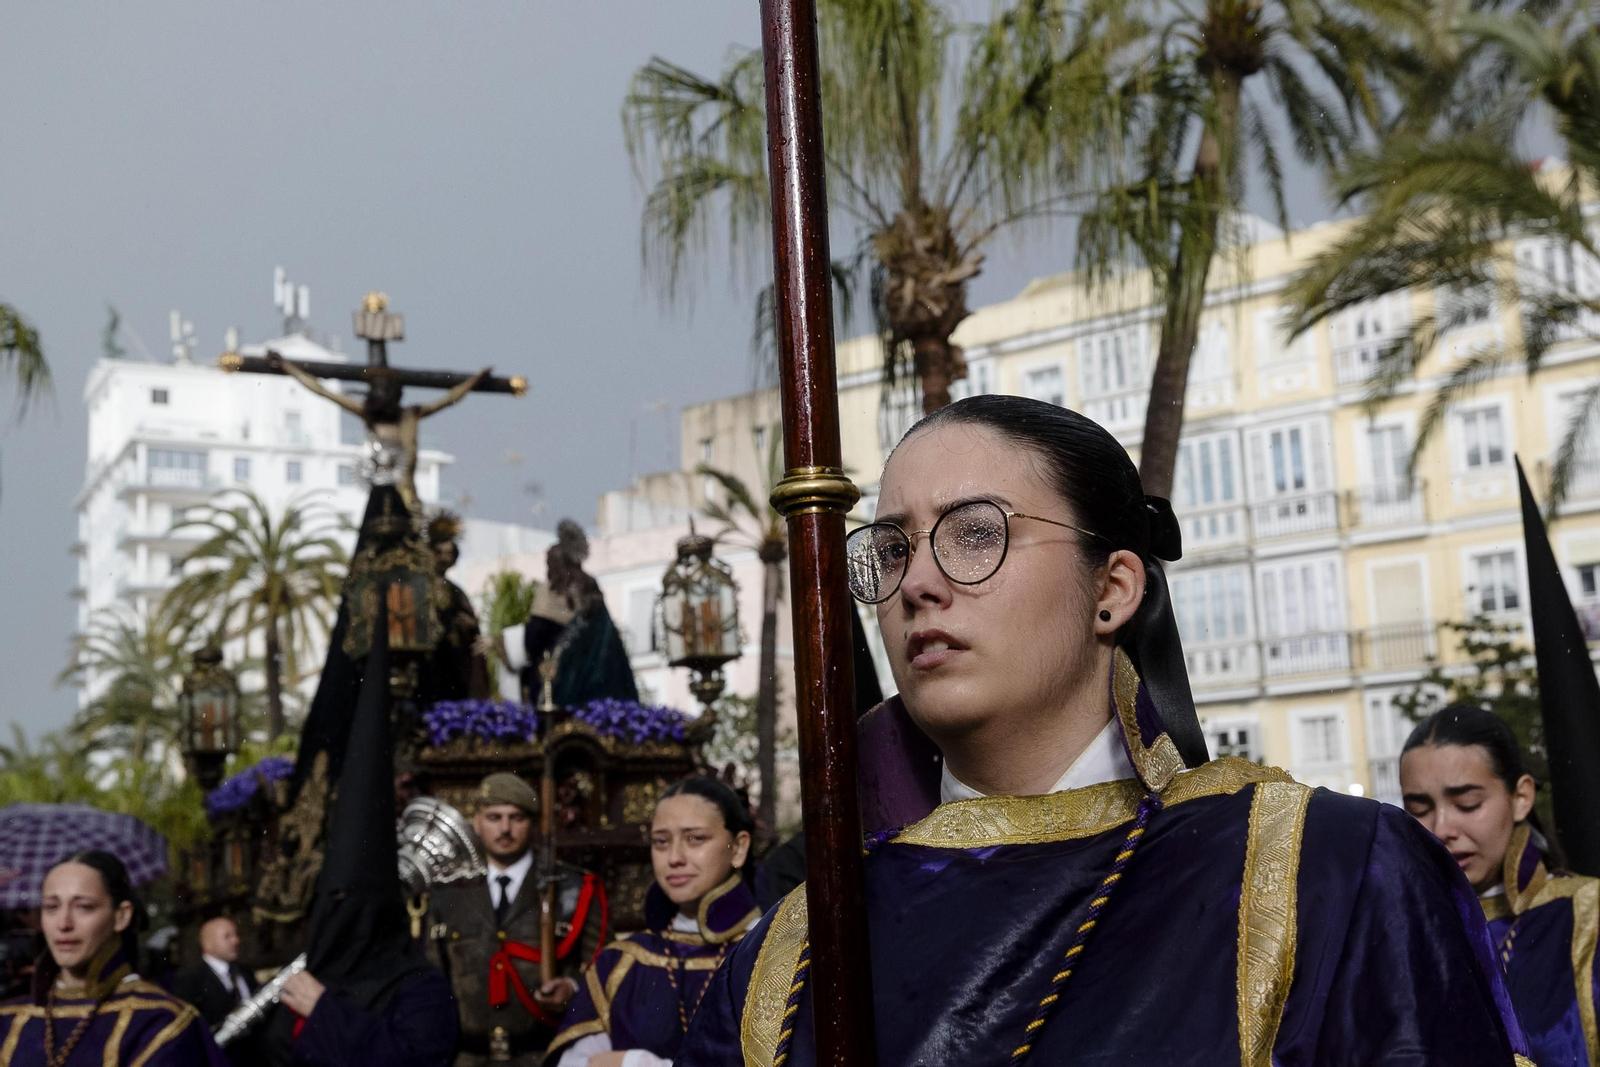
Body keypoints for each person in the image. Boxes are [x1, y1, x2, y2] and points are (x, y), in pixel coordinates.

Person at [677, 394, 1531, 1066]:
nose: (920, 584)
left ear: (1113, 588)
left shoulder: (1326, 870)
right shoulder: (798, 949)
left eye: (976, 533)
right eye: (893, 549)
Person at [260, 612, 458, 1067]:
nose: (340, 914)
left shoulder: (420, 990)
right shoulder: (303, 979)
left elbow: (414, 1061)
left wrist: (325, 1011)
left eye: (352, 901)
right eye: (333, 901)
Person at [1401, 705, 1599, 1066]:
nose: (1442, 828)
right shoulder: (1395, 927)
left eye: (1467, 803)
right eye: (1418, 808)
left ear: (1521, 797)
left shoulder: (1588, 913)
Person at [548, 777, 760, 1067]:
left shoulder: (768, 952)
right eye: (661, 842)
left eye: (695, 839)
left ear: (738, 848)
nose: (674, 857)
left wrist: (634, 1063)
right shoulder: (621, 962)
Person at [426, 773, 609, 1066]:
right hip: (467, 1058)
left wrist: (572, 989)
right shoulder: (448, 892)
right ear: (477, 823)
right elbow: (431, 978)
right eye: (494, 817)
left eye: (517, 818)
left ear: (534, 824)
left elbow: (606, 970)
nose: (505, 829)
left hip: (545, 1056)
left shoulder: (573, 889)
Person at [0, 849, 227, 1065]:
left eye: (84, 907)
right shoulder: (9, 1019)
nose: (63, 924)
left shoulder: (159, 1020)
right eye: (51, 907)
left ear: (121, 915)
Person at [520, 521, 638, 707]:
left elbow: (534, 636)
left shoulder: (550, 591)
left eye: (550, 563)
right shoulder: (589, 584)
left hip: (563, 676)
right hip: (597, 675)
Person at [168, 917, 261, 1064]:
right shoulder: (190, 981)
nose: (236, 940)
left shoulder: (245, 973)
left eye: (236, 935)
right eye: (227, 936)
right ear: (207, 944)